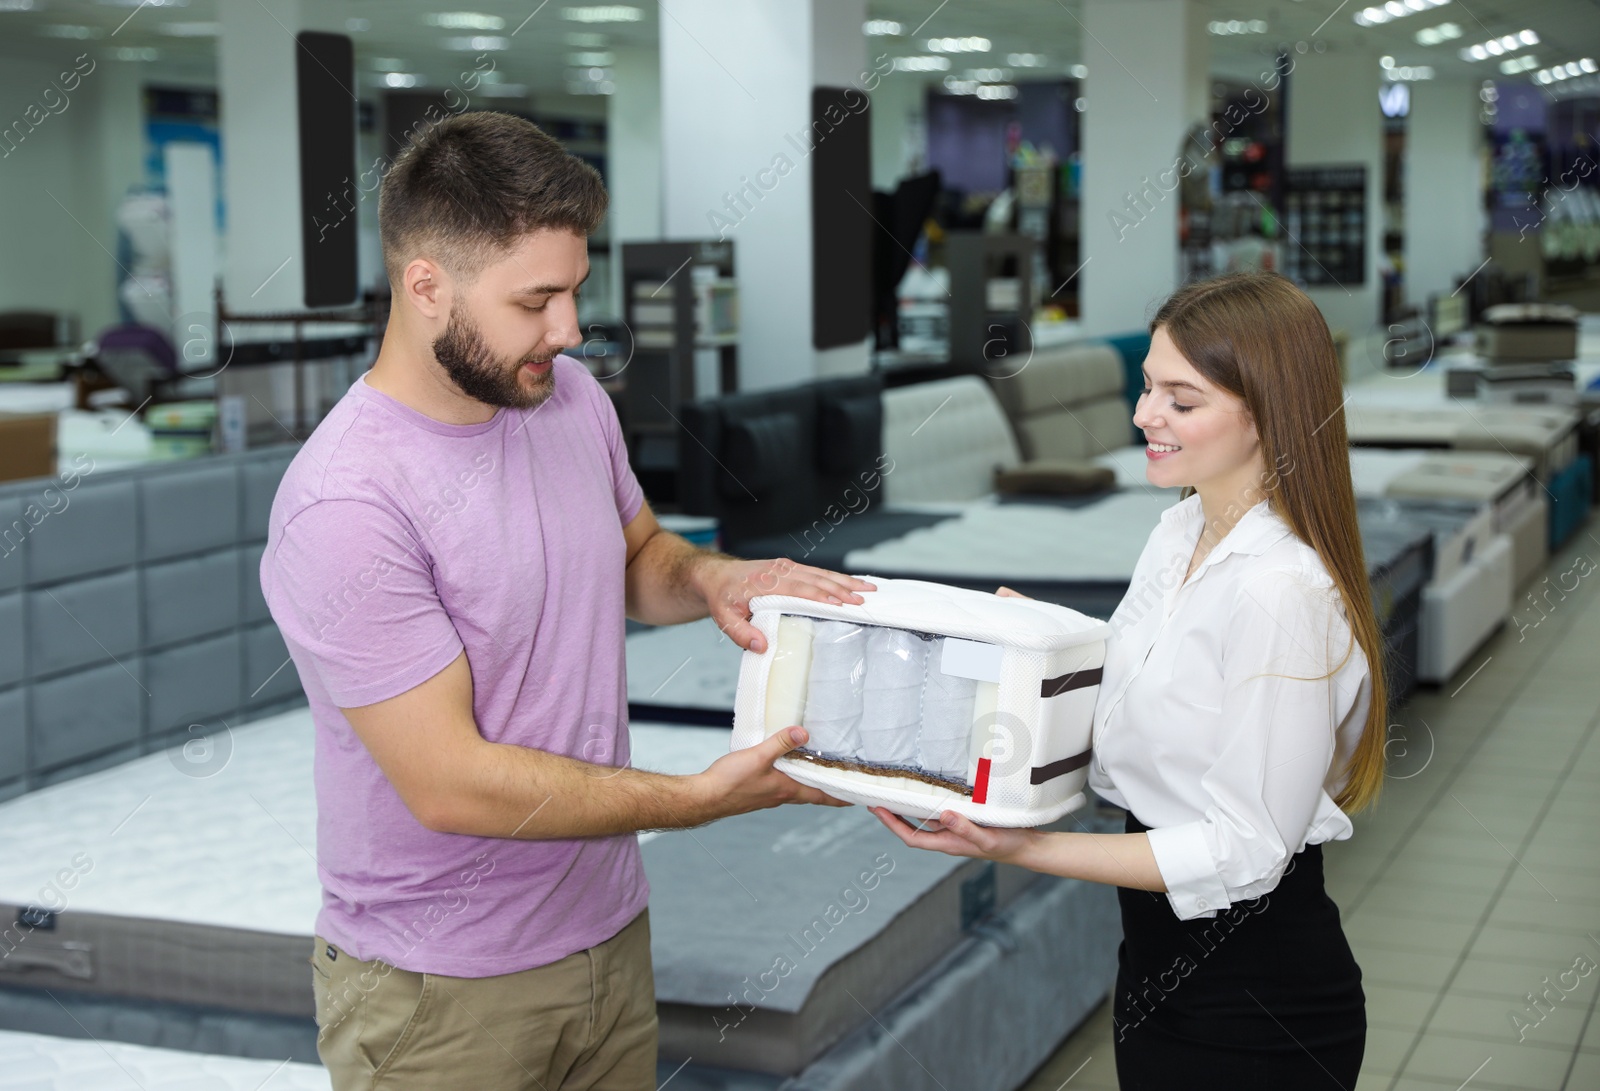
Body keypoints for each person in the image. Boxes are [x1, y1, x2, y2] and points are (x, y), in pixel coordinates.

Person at [261, 111, 870, 1091]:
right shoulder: (346, 501)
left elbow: (634, 557)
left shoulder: (566, 397)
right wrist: (694, 800)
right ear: (426, 286)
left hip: (606, 932)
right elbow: (449, 782)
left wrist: (715, 576)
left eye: (575, 291)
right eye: (535, 300)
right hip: (438, 992)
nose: (570, 329)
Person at [873, 272, 1383, 1090]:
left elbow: (1246, 851)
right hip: (1153, 974)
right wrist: (1045, 640)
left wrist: (1024, 845)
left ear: (1269, 414)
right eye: (1149, 387)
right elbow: (1147, 699)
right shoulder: (1179, 530)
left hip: (1259, 1007)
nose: (1145, 414)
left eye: (1182, 400)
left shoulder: (1281, 591)